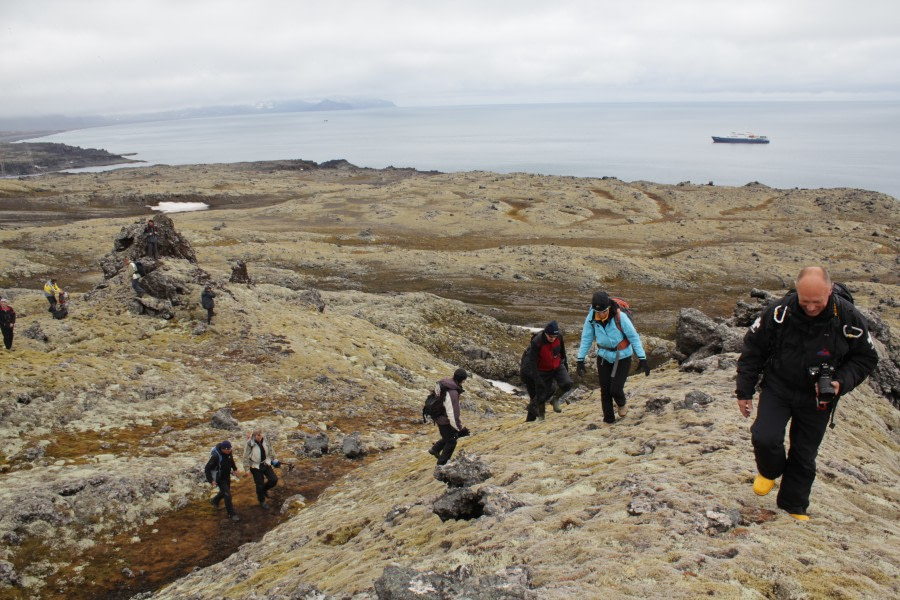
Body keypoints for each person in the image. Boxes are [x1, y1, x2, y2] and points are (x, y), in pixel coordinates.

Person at [736, 266, 878, 521]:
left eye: (817, 302)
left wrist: (839, 383)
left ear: (830, 291)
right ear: (797, 292)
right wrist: (744, 391)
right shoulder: (779, 312)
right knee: (764, 437)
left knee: (804, 453)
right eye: (805, 302)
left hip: (818, 396)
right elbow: (753, 350)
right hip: (778, 386)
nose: (811, 308)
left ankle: (794, 507)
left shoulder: (849, 318)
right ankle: (769, 471)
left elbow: (865, 358)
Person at [576, 291, 650, 424]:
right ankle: (609, 420)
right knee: (605, 391)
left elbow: (633, 337)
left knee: (615, 389)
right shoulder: (591, 317)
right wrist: (580, 359)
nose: (601, 314)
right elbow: (586, 337)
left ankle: (621, 403)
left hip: (622, 357)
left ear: (608, 307)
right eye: (599, 311)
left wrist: (642, 357)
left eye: (604, 311)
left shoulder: (620, 317)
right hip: (603, 357)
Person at [520, 320, 573, 421]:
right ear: (545, 333)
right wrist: (538, 380)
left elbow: (562, 352)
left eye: (554, 337)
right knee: (542, 392)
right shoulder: (537, 342)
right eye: (550, 337)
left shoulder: (559, 337)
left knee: (567, 383)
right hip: (537, 370)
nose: (552, 339)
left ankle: (554, 399)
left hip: (556, 365)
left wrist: (565, 366)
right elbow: (532, 363)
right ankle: (535, 419)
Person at [428, 368, 470, 466]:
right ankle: (442, 465)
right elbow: (453, 414)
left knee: (450, 436)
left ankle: (435, 449)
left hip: (438, 415)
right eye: (464, 380)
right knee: (451, 441)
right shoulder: (453, 393)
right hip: (444, 419)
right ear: (462, 380)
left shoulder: (445, 384)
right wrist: (459, 429)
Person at [204, 440, 242, 522]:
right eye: (227, 449)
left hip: (227, 476)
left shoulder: (229, 453)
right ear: (222, 449)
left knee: (224, 492)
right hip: (219, 478)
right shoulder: (215, 457)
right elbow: (207, 468)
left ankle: (215, 501)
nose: (229, 450)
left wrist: (235, 469)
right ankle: (231, 514)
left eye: (230, 448)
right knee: (228, 495)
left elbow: (231, 460)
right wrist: (211, 480)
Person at [243, 430, 280, 509]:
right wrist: (246, 469)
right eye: (258, 436)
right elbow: (245, 456)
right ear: (254, 436)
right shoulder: (249, 443)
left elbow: (270, 448)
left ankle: (265, 489)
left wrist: (274, 458)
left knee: (274, 479)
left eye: (261, 435)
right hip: (255, 466)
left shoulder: (266, 439)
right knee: (259, 485)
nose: (260, 438)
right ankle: (262, 501)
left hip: (266, 463)